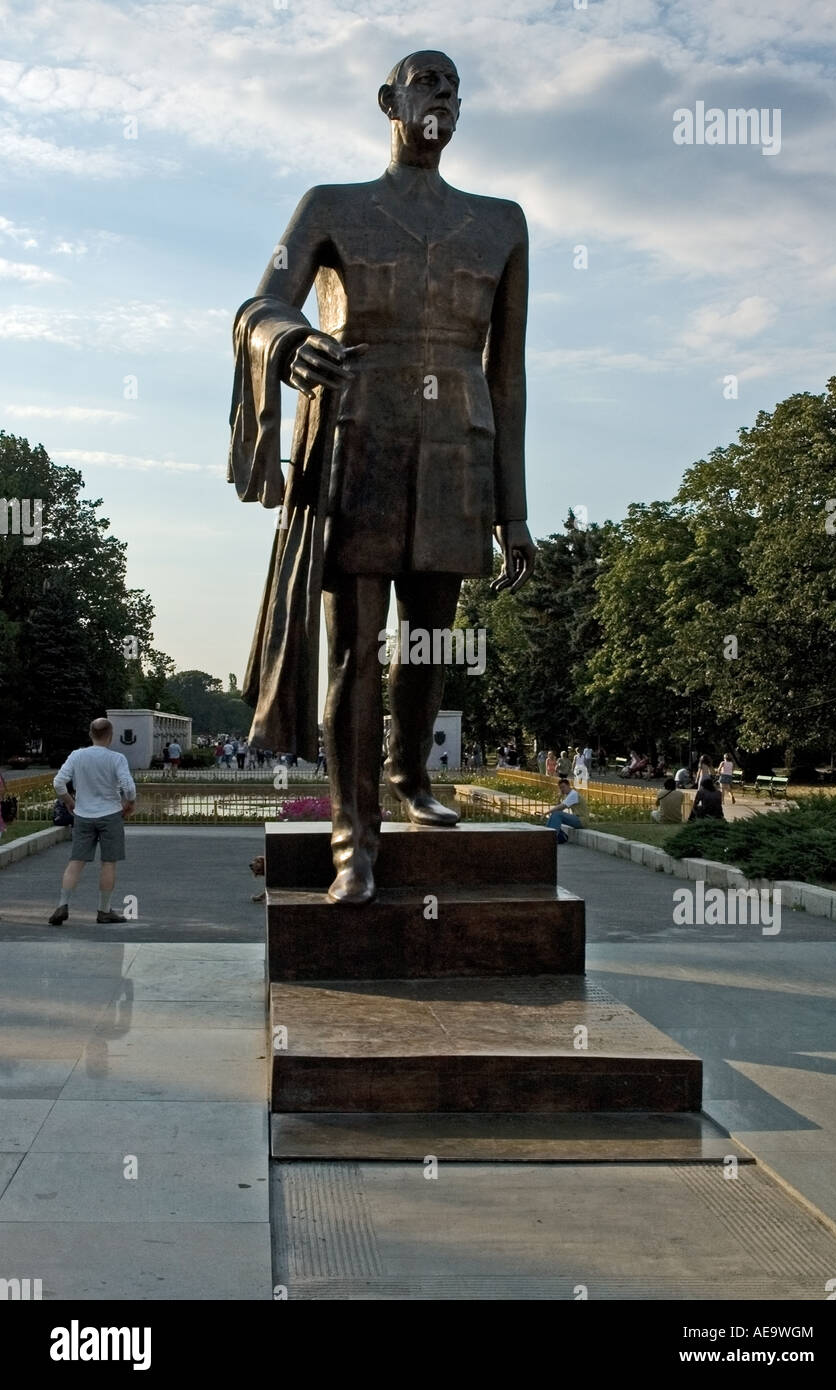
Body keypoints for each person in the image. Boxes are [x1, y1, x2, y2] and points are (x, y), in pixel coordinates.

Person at [230, 50, 535, 905]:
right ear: (389, 100)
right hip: (357, 439)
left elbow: (508, 377)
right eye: (429, 81)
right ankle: (350, 839)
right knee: (357, 649)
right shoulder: (332, 206)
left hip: (455, 451)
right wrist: (287, 342)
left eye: (455, 89)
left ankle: (409, 775)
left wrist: (515, 512)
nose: (445, 97)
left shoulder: (501, 222)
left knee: (430, 640)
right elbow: (263, 302)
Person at [48, 717, 136, 926]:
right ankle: (104, 911)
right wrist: (129, 802)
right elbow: (128, 787)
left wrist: (69, 800)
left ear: (90, 735)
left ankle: (62, 905)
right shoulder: (117, 758)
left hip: (83, 815)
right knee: (108, 863)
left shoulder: (77, 755)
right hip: (110, 815)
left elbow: (59, 782)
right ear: (111, 736)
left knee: (76, 861)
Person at [545, 775, 582, 844]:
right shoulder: (567, 795)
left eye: (563, 787)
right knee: (555, 814)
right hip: (576, 818)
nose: (562, 789)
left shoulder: (573, 794)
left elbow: (561, 807)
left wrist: (546, 812)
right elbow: (559, 808)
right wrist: (559, 796)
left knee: (557, 814)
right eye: (560, 788)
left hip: (581, 820)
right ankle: (546, 835)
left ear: (568, 785)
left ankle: (551, 838)